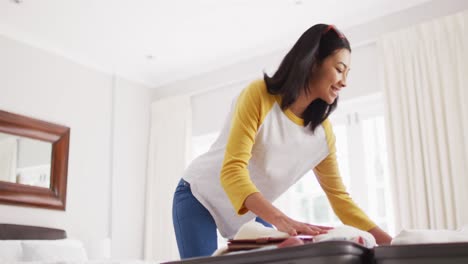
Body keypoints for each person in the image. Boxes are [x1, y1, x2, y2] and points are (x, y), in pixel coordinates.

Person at [172, 23, 392, 259]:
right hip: (199, 194)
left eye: (347, 73)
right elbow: (232, 172)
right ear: (313, 61)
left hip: (249, 209)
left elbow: (341, 200)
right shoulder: (259, 96)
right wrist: (280, 220)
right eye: (339, 69)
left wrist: (392, 244)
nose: (344, 81)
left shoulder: (322, 135)